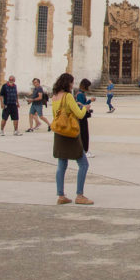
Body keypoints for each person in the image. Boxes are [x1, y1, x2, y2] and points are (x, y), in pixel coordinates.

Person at [51, 73, 92, 205]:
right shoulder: (68, 96)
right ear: (67, 83)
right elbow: (79, 115)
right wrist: (85, 108)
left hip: (59, 134)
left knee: (61, 165)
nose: (72, 85)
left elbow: (55, 115)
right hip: (71, 134)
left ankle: (61, 195)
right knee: (84, 164)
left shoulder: (55, 97)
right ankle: (80, 195)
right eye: (71, 83)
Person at [74, 79, 94, 158]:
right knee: (84, 134)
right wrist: (90, 100)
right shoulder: (80, 94)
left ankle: (83, 150)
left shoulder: (80, 93)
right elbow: (83, 105)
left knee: (83, 133)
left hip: (81, 116)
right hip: (82, 116)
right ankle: (85, 150)